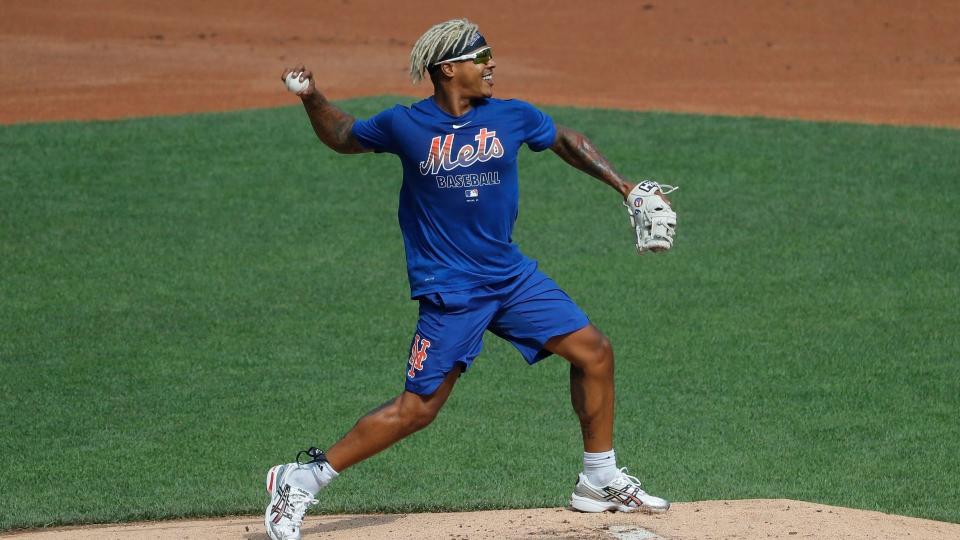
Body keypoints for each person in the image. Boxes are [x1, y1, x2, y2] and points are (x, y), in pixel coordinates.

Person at [266, 18, 671, 540]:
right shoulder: (404, 125)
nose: (492, 65)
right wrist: (312, 98)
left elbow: (566, 140)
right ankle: (301, 479)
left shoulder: (512, 116)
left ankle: (598, 478)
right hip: (452, 288)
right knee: (418, 408)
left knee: (593, 352)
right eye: (482, 58)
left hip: (510, 277)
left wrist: (624, 185)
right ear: (448, 68)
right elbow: (344, 137)